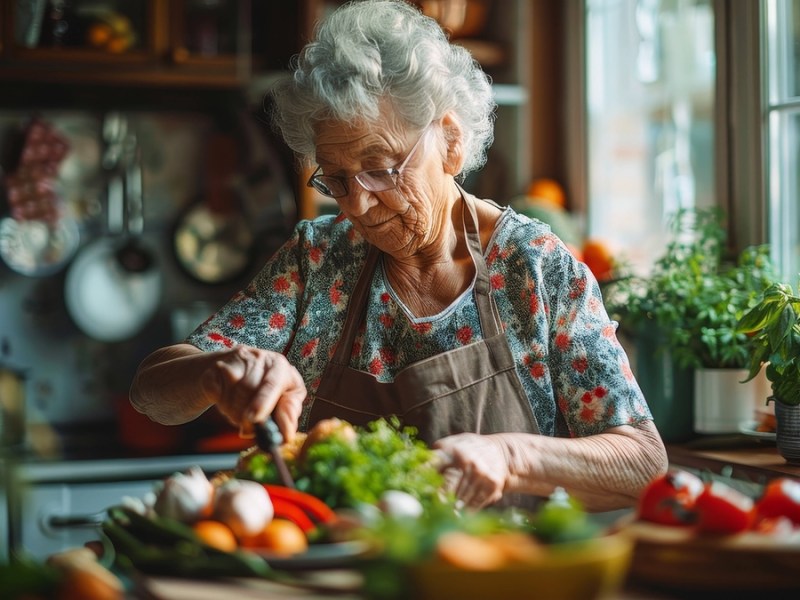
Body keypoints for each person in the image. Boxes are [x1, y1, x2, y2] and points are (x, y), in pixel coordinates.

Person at [130, 0, 667, 511]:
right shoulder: (318, 260)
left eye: (380, 167)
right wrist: (215, 370)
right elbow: (151, 393)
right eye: (336, 179)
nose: (359, 203)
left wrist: (510, 455)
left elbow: (641, 462)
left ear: (451, 143)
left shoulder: (536, 269)